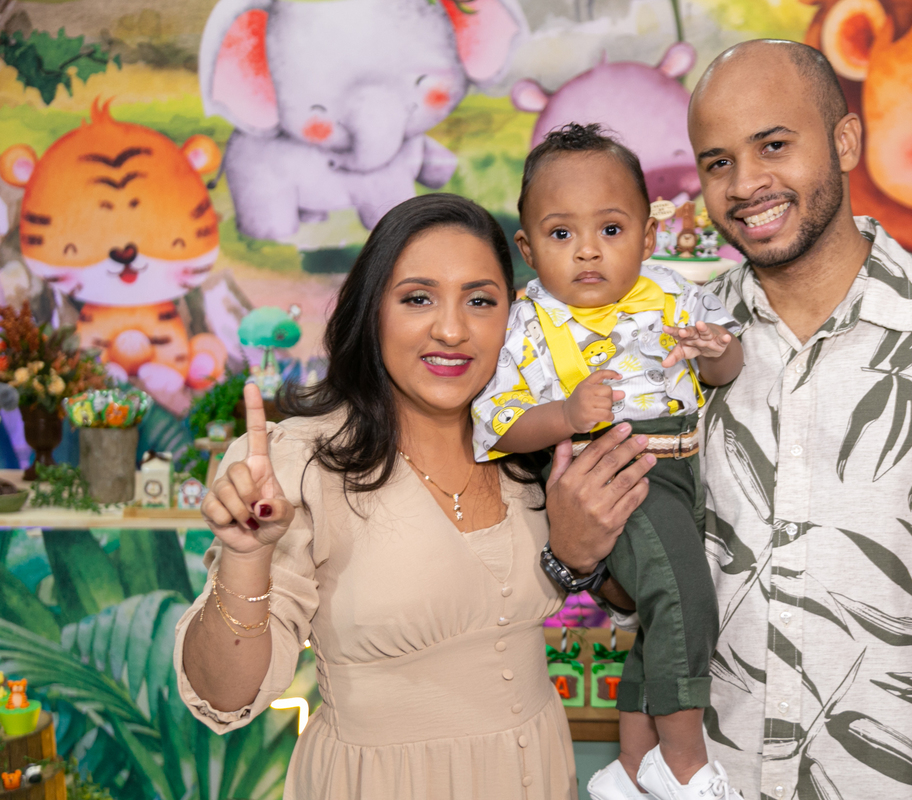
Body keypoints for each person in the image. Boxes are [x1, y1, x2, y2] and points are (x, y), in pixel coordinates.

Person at [551, 40, 912, 799]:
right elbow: (645, 585)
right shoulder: (672, 337)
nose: (745, 184)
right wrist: (585, 553)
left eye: (774, 145)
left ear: (846, 141)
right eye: (718, 162)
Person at [173, 193, 658, 800]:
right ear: (371, 311)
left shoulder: (537, 441)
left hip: (536, 774)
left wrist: (581, 561)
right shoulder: (300, 463)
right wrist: (246, 558)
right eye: (418, 298)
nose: (451, 330)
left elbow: (644, 598)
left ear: (514, 316)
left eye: (480, 301)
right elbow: (225, 696)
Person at [471, 123, 745, 800]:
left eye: (612, 229)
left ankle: (630, 765)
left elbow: (727, 368)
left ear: (648, 238)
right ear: (528, 249)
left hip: (682, 469)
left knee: (659, 615)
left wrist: (717, 351)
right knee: (685, 599)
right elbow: (498, 423)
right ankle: (685, 765)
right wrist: (565, 415)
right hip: (619, 472)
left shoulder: (673, 292)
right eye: (562, 233)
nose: (588, 249)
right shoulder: (528, 323)